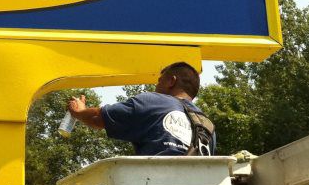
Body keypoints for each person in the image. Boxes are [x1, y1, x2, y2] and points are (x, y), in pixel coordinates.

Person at [67, 62, 215, 156]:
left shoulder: (153, 102)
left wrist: (79, 112)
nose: (156, 86)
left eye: (159, 81)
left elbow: (98, 118)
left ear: (171, 81)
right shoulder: (208, 127)